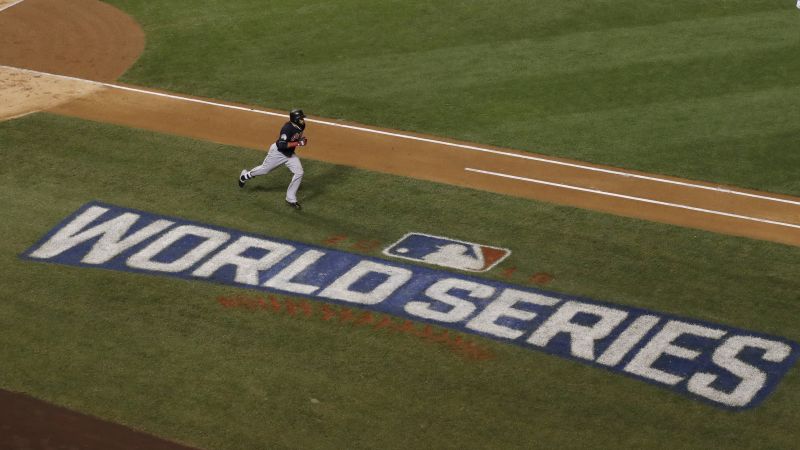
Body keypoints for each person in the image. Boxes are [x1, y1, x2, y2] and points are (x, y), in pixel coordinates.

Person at [238, 109, 308, 210]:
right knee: (264, 170)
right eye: (301, 118)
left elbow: (295, 138)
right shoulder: (287, 129)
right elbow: (281, 145)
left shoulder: (301, 125)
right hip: (278, 153)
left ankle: (290, 198)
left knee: (299, 172)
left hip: (289, 154)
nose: (303, 120)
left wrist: (299, 141)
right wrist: (298, 143)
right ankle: (245, 175)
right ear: (296, 119)